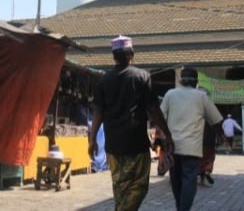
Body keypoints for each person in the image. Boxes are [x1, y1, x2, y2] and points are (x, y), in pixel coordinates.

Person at [88, 35, 173, 211]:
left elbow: (98, 112)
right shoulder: (142, 76)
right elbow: (154, 110)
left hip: (114, 145)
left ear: (114, 57)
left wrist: (92, 139)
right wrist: (167, 133)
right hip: (136, 144)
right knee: (140, 185)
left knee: (120, 187)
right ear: (132, 54)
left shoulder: (104, 80)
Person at [160, 67, 224, 211]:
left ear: (181, 81)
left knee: (176, 180)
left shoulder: (170, 94)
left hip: (173, 146)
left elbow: (160, 118)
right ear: (196, 82)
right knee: (189, 181)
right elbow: (216, 121)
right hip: (192, 148)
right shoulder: (201, 97)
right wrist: (221, 136)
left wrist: (162, 139)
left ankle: (180, 207)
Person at [197, 87, 217, 186]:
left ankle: (200, 178)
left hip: (197, 140)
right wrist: (221, 136)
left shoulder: (193, 108)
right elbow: (217, 123)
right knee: (209, 158)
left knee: (199, 159)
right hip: (209, 139)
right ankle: (207, 172)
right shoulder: (211, 109)